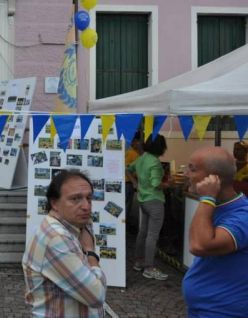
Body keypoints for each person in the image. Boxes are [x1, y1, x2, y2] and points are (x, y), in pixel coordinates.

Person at [22, 170, 106, 317]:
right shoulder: (56, 238)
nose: (86, 206)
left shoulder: (69, 229)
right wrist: (90, 252)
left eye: (89, 198)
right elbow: (96, 296)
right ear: (54, 203)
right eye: (75, 199)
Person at [182, 146, 248, 317]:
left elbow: (199, 246)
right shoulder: (215, 208)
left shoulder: (243, 216)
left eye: (192, 168)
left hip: (224, 312)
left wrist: (207, 198)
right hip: (203, 309)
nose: (185, 174)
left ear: (214, 178)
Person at [126, 134, 169, 280]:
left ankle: (139, 261)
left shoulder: (142, 157)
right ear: (161, 147)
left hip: (142, 200)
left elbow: (128, 169)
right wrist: (170, 184)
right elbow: (156, 184)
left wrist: (135, 183)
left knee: (142, 232)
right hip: (155, 201)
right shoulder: (155, 163)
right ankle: (149, 267)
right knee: (152, 235)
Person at [125, 131, 143, 231]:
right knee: (127, 207)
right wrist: (135, 181)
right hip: (128, 183)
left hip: (126, 182)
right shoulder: (134, 153)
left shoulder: (128, 151)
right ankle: (125, 228)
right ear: (136, 141)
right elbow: (130, 169)